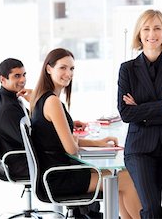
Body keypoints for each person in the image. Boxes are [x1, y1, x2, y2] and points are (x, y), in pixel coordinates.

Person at [29, 48, 141, 219]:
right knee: (127, 178)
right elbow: (72, 149)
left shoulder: (41, 98)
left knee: (120, 179)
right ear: (49, 68)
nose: (68, 73)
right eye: (63, 68)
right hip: (59, 178)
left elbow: (63, 139)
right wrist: (74, 140)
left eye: (72, 69)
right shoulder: (52, 102)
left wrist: (99, 143)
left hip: (57, 173)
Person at [117, 9, 162, 218]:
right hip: (140, 147)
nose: (152, 33)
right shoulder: (127, 69)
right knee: (149, 209)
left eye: (157, 28)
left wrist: (141, 109)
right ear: (139, 34)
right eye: (147, 28)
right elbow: (126, 113)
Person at [0, 58, 32, 180]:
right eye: (17, 76)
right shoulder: (7, 108)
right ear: (2, 79)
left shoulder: (7, 99)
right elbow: (31, 141)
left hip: (23, 159)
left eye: (24, 75)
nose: (23, 80)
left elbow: (32, 123)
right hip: (22, 164)